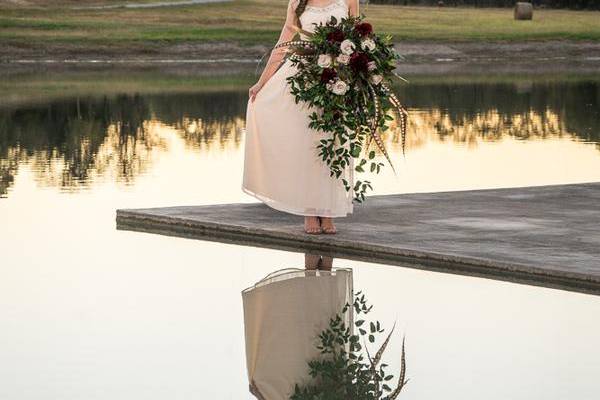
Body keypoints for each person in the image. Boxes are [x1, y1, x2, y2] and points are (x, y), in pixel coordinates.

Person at [242, 0, 360, 234]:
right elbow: (284, 44)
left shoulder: (348, 0)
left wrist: (358, 71)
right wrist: (262, 82)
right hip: (303, 78)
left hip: (338, 75)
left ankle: (327, 211)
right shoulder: (297, 3)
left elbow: (357, 40)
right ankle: (310, 210)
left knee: (333, 141)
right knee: (307, 142)